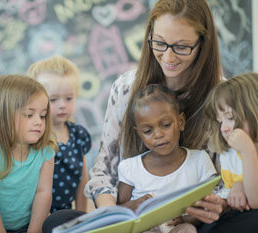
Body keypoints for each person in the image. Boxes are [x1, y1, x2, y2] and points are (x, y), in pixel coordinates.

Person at [43, 0, 231, 232]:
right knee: (56, 222)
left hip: (191, 223)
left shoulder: (223, 96)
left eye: (182, 47)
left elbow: (227, 181)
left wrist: (218, 205)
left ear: (203, 44)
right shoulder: (125, 87)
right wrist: (114, 218)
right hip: (133, 222)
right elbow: (104, 172)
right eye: (159, 43)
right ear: (149, 36)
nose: (168, 57)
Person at [0, 75, 57, 233]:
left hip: (24, 227)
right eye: (29, 115)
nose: (39, 122)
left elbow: (43, 193)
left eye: (42, 115)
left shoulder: (46, 150)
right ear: (4, 116)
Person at [117, 84, 216, 233]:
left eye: (166, 125)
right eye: (148, 131)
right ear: (139, 134)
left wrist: (186, 219)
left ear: (181, 122)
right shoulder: (130, 167)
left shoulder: (199, 160)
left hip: (179, 228)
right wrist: (136, 204)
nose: (158, 135)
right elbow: (118, 210)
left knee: (188, 229)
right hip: (146, 229)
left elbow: (210, 205)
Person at [28, 55, 92, 213]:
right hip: (33, 214)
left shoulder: (78, 135)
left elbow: (82, 180)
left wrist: (81, 216)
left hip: (65, 211)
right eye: (54, 100)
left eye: (69, 98)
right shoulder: (34, 136)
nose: (63, 105)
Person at [201, 72, 258, 232]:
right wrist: (233, 191)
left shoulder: (245, 149)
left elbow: (255, 201)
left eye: (231, 117)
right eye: (220, 121)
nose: (223, 128)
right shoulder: (230, 153)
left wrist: (248, 150)